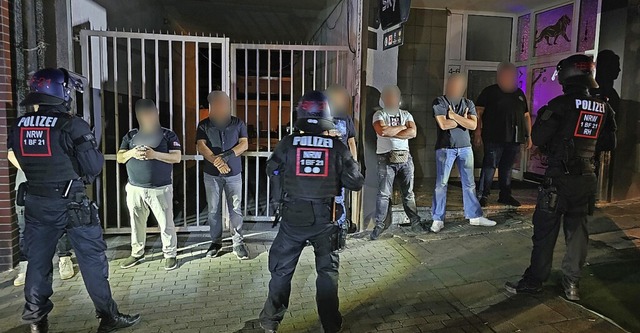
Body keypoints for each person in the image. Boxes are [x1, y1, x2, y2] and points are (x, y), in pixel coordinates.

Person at [8, 68, 140, 332]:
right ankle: (108, 317)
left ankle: (36, 321)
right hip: (72, 203)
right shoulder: (71, 124)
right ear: (60, 92)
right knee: (92, 261)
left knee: (38, 262)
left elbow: (20, 160)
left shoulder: (20, 125)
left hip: (36, 202)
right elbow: (93, 166)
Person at [505, 55, 617, 301]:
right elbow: (609, 142)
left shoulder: (560, 105)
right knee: (577, 235)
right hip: (587, 179)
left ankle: (534, 281)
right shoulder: (603, 106)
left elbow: (540, 137)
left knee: (544, 234)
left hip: (558, 180)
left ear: (566, 76)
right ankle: (572, 285)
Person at [259, 90, 364, 333]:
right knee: (327, 274)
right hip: (326, 220)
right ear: (326, 113)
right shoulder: (337, 146)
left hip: (293, 219)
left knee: (281, 272)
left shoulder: (288, 143)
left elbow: (271, 169)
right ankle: (330, 324)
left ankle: (269, 322)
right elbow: (356, 182)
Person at [117, 99, 181, 271]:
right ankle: (137, 253)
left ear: (156, 113)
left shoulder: (168, 134)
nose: (147, 116)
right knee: (136, 223)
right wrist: (132, 152)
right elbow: (120, 157)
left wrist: (154, 155)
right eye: (143, 114)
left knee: (166, 223)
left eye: (150, 113)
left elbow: (176, 157)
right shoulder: (131, 135)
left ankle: (170, 254)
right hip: (135, 188)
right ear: (138, 116)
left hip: (160, 188)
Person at [431, 74, 497, 233]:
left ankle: (475, 216)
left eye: (459, 85)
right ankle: (437, 219)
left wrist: (453, 116)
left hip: (465, 148)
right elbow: (443, 124)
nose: (455, 88)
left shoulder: (469, 103)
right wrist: (463, 120)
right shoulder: (439, 102)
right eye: (453, 84)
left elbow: (473, 125)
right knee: (441, 185)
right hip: (445, 148)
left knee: (469, 184)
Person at [196, 91, 249, 259]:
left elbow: (244, 144)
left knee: (235, 209)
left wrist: (225, 156)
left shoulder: (238, 123)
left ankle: (238, 242)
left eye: (223, 104)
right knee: (213, 210)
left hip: (233, 174)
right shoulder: (204, 125)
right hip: (211, 175)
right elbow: (201, 145)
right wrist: (216, 161)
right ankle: (216, 242)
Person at [370, 85, 427, 240]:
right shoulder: (379, 114)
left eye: (394, 96)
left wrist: (393, 130)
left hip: (405, 157)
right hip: (385, 158)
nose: (391, 99)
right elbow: (382, 131)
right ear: (383, 99)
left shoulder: (406, 114)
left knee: (408, 193)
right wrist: (402, 128)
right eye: (388, 96)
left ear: (399, 98)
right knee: (383, 194)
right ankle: (379, 225)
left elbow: (413, 133)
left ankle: (415, 222)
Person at [474, 62, 533, 207]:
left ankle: (505, 195)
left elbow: (526, 115)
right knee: (489, 166)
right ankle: (482, 195)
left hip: (514, 137)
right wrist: (477, 132)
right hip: (494, 136)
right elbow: (478, 113)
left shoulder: (519, 94)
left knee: (507, 168)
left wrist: (529, 136)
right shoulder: (489, 92)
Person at [12, 169, 76, 286]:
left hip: (52, 184)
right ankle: (25, 265)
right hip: (26, 185)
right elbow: (11, 154)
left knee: (60, 224)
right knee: (24, 228)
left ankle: (64, 258)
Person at [325, 85, 357, 231]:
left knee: (339, 197)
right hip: (325, 164)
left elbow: (351, 141)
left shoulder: (346, 118)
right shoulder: (321, 116)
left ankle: (340, 227)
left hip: (341, 165)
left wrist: (354, 163)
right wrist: (327, 134)